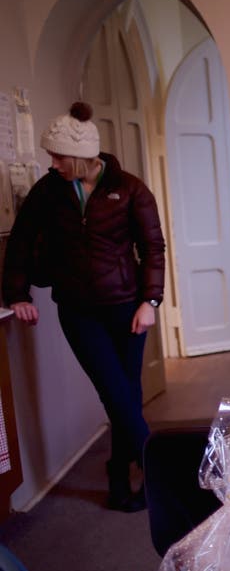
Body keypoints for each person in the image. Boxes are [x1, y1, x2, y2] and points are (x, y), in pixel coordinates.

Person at [2, 102, 166, 511]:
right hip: (78, 310)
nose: (52, 164)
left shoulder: (129, 188)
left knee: (126, 392)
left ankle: (119, 481)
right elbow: (21, 241)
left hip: (128, 307)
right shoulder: (47, 192)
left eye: (58, 156)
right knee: (114, 390)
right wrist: (18, 294)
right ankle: (161, 471)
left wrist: (150, 301)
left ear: (79, 157)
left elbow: (152, 248)